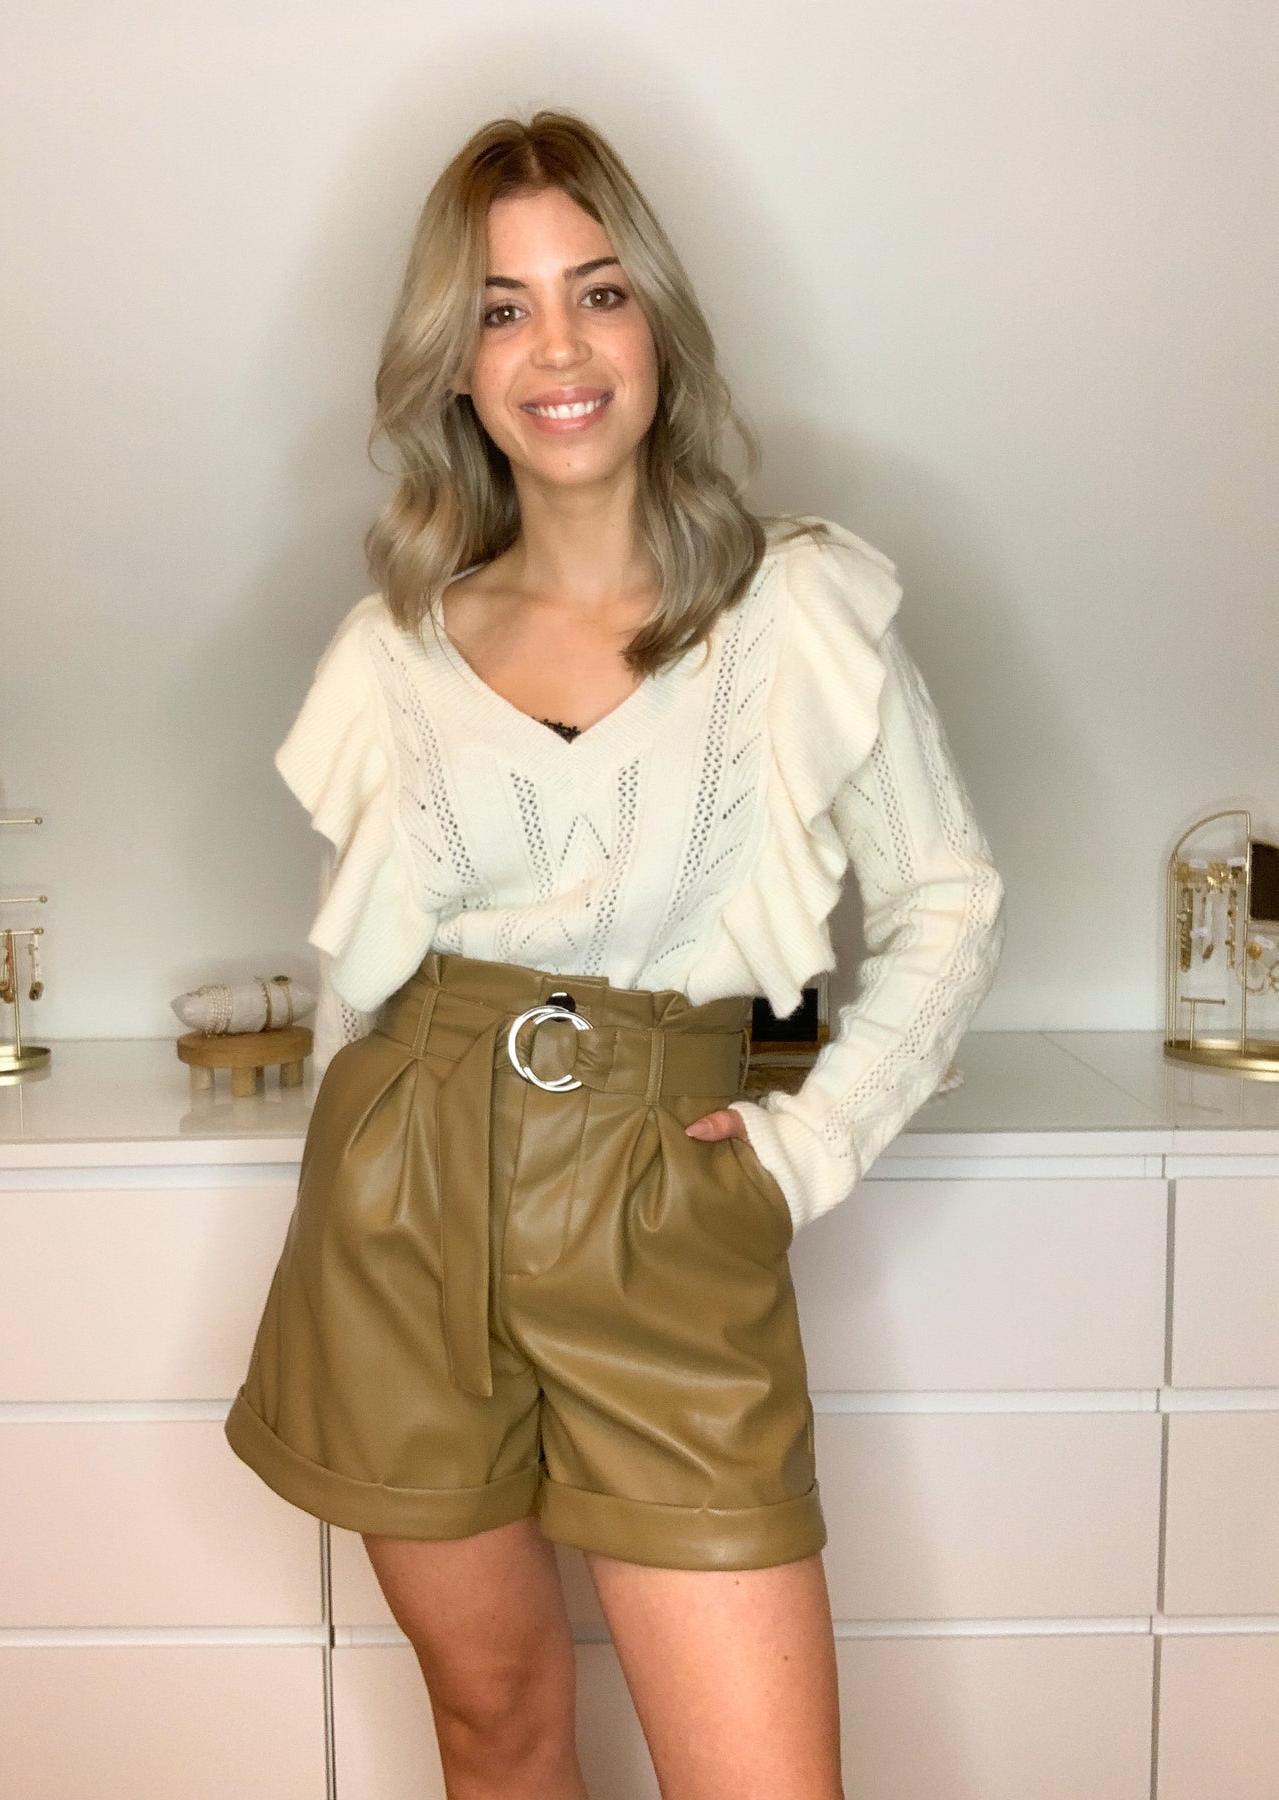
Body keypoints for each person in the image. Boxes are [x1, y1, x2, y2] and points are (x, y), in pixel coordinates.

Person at [225, 108, 1006, 1800]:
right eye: (499, 309)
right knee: (495, 1732)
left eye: (596, 292)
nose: (557, 350)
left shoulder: (798, 608)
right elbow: (364, 967)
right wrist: (346, 1172)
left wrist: (797, 1154)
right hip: (402, 1209)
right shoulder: (391, 650)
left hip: (665, 1211)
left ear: (658, 324)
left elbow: (948, 896)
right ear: (454, 364)